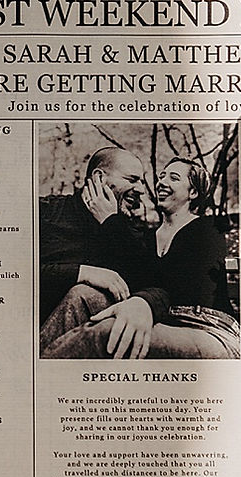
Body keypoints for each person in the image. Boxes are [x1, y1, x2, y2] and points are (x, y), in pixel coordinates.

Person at [44, 155, 240, 360]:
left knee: (108, 332)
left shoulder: (207, 229)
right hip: (160, 321)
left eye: (173, 178)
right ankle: (35, 366)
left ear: (193, 192)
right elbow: (136, 279)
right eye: (162, 176)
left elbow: (173, 284)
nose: (162, 181)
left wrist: (111, 221)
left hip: (208, 329)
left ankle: (39, 376)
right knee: (82, 295)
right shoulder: (147, 238)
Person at [37, 146, 163, 355]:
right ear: (98, 177)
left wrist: (110, 222)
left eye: (141, 181)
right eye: (132, 180)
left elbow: (154, 281)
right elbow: (8, 273)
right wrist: (82, 273)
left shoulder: (127, 230)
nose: (141, 189)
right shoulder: (46, 213)